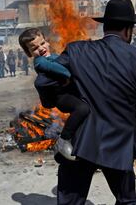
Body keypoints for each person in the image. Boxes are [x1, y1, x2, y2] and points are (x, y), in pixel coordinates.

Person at [53, 0, 136, 204]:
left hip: (81, 141)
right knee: (126, 200)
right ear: (129, 30)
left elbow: (46, 79)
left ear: (105, 26)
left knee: (70, 201)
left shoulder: (76, 50)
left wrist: (62, 101)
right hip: (120, 142)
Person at [19, 28, 90, 160]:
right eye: (34, 48)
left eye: (42, 43)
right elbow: (58, 69)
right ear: (28, 53)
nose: (40, 48)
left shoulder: (53, 57)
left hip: (67, 94)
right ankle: (63, 139)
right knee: (82, 108)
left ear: (47, 42)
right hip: (61, 97)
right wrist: (69, 74)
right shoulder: (40, 62)